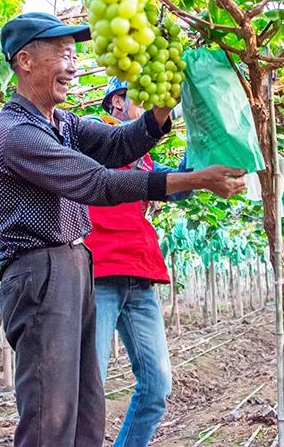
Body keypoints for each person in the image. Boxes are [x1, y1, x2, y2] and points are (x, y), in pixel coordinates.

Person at [0, 12, 247, 446]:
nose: (73, 66)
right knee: (52, 413)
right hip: (39, 273)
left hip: (73, 265)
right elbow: (96, 182)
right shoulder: (15, 134)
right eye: (62, 55)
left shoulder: (59, 123)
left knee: (86, 408)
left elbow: (117, 144)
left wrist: (162, 108)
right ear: (24, 61)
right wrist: (196, 179)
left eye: (74, 55)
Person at [85, 77, 191, 447]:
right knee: (89, 389)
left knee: (158, 385)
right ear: (117, 100)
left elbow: (182, 187)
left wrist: (200, 135)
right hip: (98, 275)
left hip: (139, 277)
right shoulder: (92, 136)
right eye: (143, 98)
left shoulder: (144, 158)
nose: (154, 107)